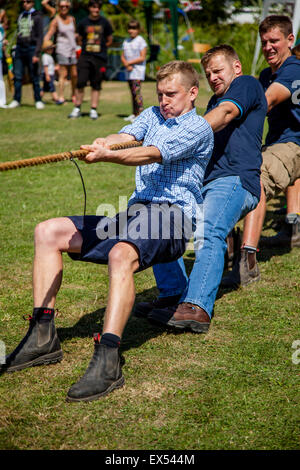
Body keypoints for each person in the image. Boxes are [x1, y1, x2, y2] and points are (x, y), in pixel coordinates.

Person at [1, 61, 214, 402]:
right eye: (160, 93)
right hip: (136, 214)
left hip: (173, 217)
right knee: (48, 232)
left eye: (171, 94)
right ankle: (43, 336)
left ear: (192, 93)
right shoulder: (153, 115)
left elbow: (150, 153)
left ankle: (109, 357)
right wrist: (105, 141)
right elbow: (128, 136)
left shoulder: (199, 128)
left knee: (120, 253)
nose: (164, 100)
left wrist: (107, 157)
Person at [134, 44, 267, 332]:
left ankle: (196, 306)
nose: (213, 77)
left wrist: (184, 135)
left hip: (234, 180)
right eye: (208, 73)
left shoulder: (246, 85)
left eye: (218, 70)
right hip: (203, 184)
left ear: (236, 67)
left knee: (210, 230)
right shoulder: (211, 104)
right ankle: (172, 295)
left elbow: (227, 113)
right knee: (162, 221)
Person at [222, 15, 300, 288]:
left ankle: (248, 262)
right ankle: (227, 250)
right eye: (264, 41)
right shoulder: (267, 74)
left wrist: (227, 114)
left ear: (290, 40)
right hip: (276, 142)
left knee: (255, 180)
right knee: (225, 173)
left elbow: (265, 102)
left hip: (295, 145)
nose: (268, 47)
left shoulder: (293, 69)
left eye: (274, 41)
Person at [68, 0, 113, 120]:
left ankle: (93, 109)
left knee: (96, 84)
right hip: (85, 57)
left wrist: (101, 49)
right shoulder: (83, 22)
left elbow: (109, 39)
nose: (96, 10)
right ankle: (77, 108)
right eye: (93, 7)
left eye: (98, 7)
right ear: (89, 8)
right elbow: (79, 38)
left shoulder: (105, 22)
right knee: (80, 82)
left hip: (100, 58)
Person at [7, 0, 44, 110]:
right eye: (23, 2)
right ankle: (16, 99)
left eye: (28, 1)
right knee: (17, 76)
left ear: (32, 3)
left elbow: (40, 37)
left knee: (34, 76)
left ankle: (38, 100)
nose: (25, 4)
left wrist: (36, 53)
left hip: (31, 49)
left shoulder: (37, 17)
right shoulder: (21, 16)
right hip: (19, 49)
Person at [43, 0, 77, 104]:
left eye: (66, 6)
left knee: (74, 74)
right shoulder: (56, 20)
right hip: (62, 49)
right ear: (59, 7)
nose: (64, 8)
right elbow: (49, 33)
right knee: (63, 74)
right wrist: (44, 43)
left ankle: (73, 95)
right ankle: (61, 96)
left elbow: (74, 33)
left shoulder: (72, 19)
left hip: (73, 49)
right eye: (61, 6)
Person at [121, 19, 147, 123]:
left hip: (137, 71)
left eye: (134, 28)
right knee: (132, 93)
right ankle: (134, 113)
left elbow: (142, 57)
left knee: (137, 93)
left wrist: (129, 63)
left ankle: (141, 114)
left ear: (138, 30)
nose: (131, 31)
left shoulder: (141, 41)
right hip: (129, 71)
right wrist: (126, 64)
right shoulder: (126, 41)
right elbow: (122, 56)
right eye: (130, 28)